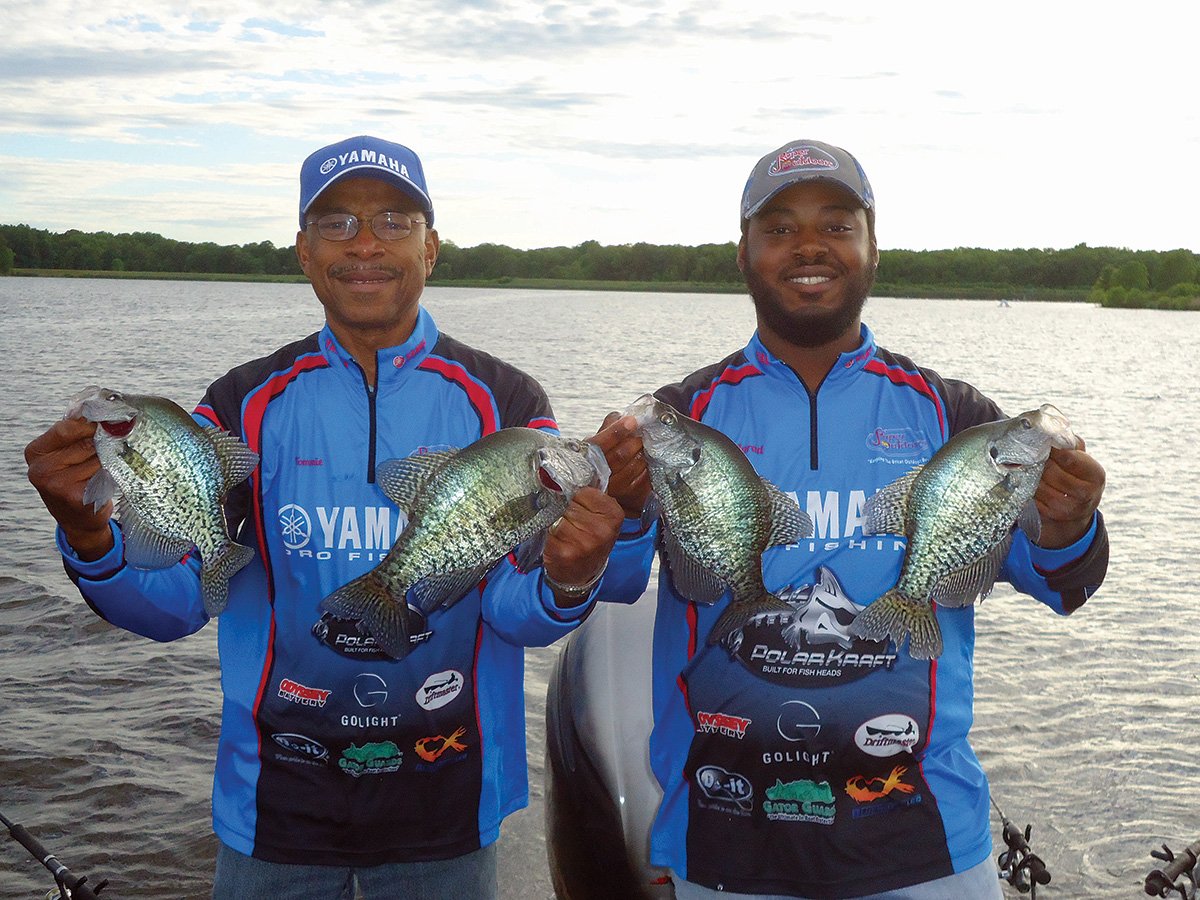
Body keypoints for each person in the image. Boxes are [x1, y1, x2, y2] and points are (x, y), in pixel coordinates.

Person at [24, 135, 633, 899]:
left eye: (393, 219)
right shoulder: (243, 403)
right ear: (303, 252)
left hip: (447, 801)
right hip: (277, 809)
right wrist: (88, 532)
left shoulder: (507, 405)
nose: (366, 243)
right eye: (337, 223)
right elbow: (176, 602)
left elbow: (517, 614)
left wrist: (570, 576)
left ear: (432, 248)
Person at [599, 139, 1109, 899]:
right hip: (723, 838)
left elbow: (1063, 586)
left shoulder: (956, 417)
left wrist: (1069, 526)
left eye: (837, 224)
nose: (809, 245)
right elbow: (604, 582)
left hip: (928, 844)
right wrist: (624, 509)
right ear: (743, 253)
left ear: (873, 249)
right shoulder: (683, 418)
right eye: (779, 228)